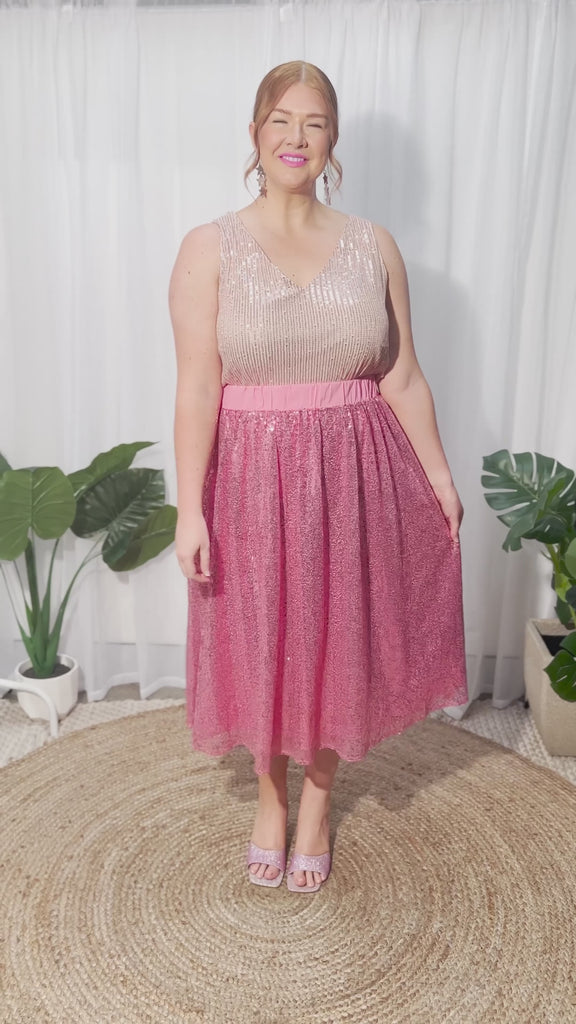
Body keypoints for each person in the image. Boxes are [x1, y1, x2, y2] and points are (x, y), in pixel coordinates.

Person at [169, 61, 468, 894]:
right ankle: (270, 796)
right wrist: (189, 508)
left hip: (356, 473)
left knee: (343, 635)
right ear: (255, 131)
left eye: (315, 122)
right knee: (258, 635)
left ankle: (318, 802)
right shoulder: (208, 247)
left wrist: (440, 477)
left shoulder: (375, 245)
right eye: (281, 119)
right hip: (249, 477)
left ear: (334, 139)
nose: (296, 137)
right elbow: (196, 386)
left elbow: (401, 375)